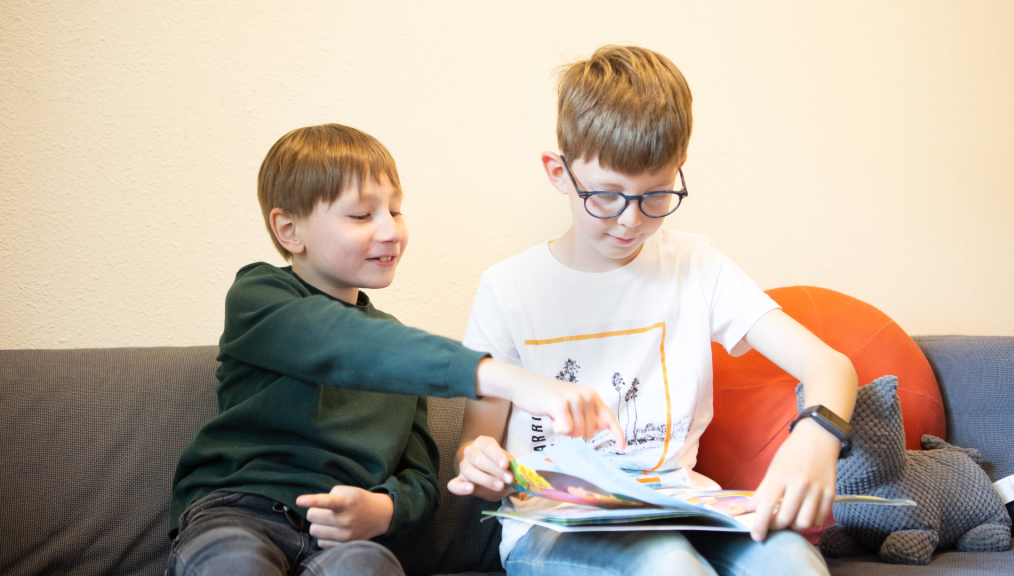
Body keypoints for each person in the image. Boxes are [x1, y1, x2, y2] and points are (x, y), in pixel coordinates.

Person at [448, 46, 858, 576]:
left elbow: (830, 366)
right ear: (558, 171)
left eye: (656, 195)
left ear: (677, 170)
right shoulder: (508, 289)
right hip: (555, 525)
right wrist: (479, 464)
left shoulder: (696, 265)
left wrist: (817, 437)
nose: (630, 220)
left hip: (684, 509)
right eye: (607, 195)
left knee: (793, 560)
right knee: (668, 565)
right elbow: (475, 443)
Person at [166, 124, 623, 576]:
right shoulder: (258, 298)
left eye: (396, 210)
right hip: (241, 514)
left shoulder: (399, 350)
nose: (391, 231)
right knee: (236, 563)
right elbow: (341, 341)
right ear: (289, 230)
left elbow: (420, 479)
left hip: (345, 542)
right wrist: (511, 380)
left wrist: (383, 509)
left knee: (367, 567)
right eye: (361, 215)